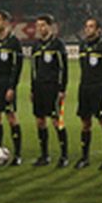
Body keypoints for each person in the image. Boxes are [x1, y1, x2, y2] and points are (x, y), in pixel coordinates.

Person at [76, 18, 102, 170]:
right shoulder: (82, 46)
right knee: (85, 123)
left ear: (98, 29)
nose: (88, 29)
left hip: (99, 88)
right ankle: (84, 158)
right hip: (84, 87)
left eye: (91, 26)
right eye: (86, 26)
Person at [0, 10, 25, 164]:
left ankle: (18, 155)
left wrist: (12, 87)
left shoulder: (14, 43)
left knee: (11, 117)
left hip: (7, 85)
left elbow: (17, 68)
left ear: (6, 22)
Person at [30, 14, 70, 167]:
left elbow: (63, 68)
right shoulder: (36, 46)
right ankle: (44, 155)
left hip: (53, 88)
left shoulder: (58, 45)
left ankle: (64, 156)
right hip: (39, 88)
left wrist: (62, 89)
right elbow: (33, 69)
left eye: (43, 25)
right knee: (40, 121)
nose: (40, 28)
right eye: (38, 26)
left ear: (50, 26)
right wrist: (33, 89)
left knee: (56, 121)